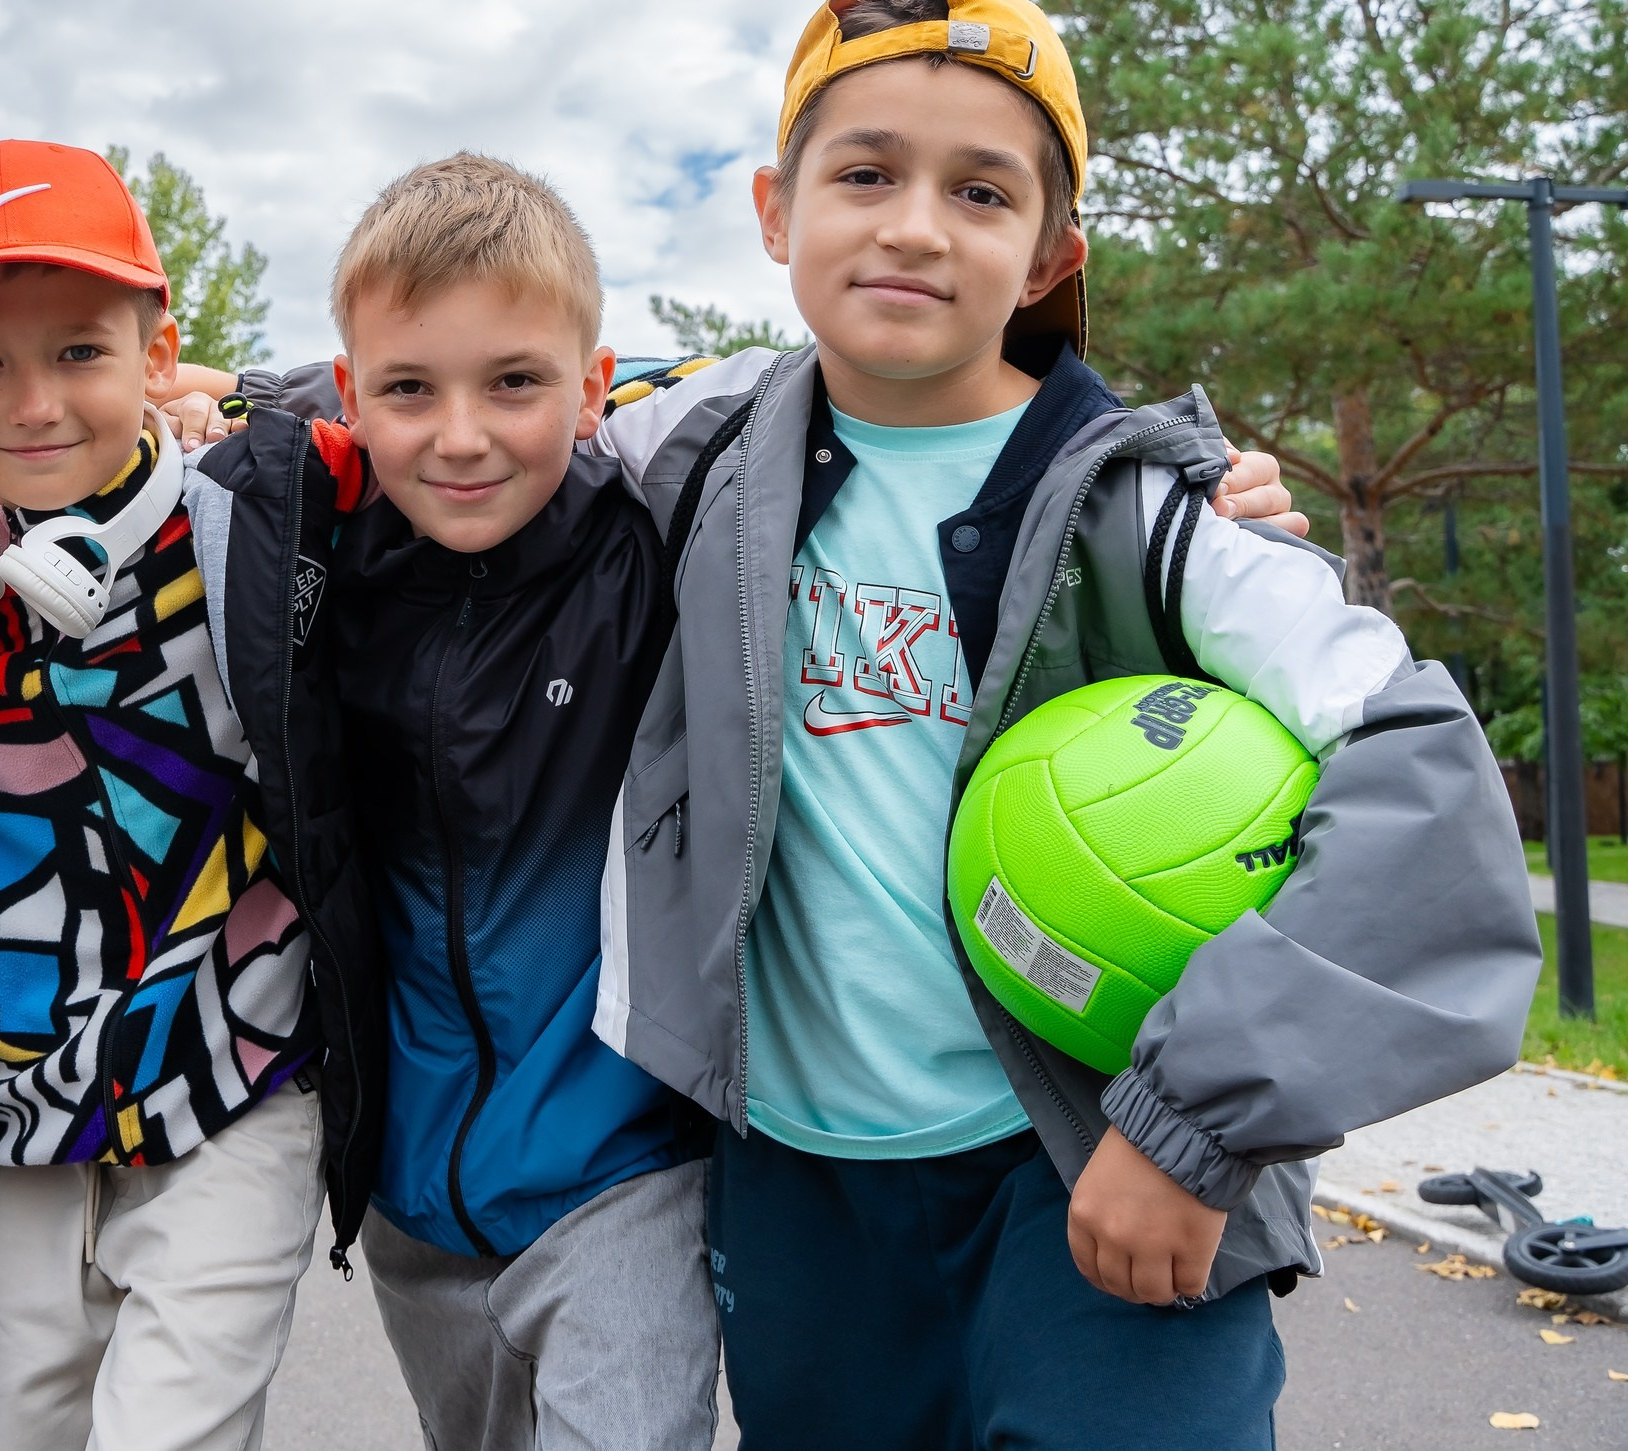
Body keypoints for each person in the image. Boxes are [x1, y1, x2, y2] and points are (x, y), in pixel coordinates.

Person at [162, 148, 1304, 1450]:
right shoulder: (311, 558)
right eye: (409, 391)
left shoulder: (657, 526)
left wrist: (1163, 474)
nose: (463, 434)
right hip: (411, 1195)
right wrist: (200, 402)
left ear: (592, 391)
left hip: (625, 1164)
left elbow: (899, 385)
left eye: (517, 384)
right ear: (356, 396)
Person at [585, 0, 1541, 1446]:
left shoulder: (1159, 513)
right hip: (794, 1188)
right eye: (865, 173)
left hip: (1095, 1161)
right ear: (776, 211)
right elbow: (453, 397)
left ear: (1049, 255)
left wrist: (1191, 1122)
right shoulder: (690, 447)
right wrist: (225, 408)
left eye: (980, 190)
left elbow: (1425, 782)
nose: (915, 225)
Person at [0, 139, 385, 1451]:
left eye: (82, 350)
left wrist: (243, 394)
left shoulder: (270, 515)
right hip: (20, 1138)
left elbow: (448, 388)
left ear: (157, 354)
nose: (35, 402)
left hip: (237, 1092)